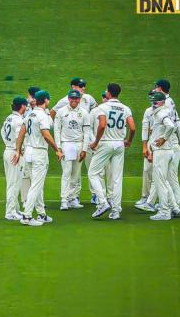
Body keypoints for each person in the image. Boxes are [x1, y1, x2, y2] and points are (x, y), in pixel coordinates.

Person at [12, 90, 63, 226]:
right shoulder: (42, 115)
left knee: (36, 184)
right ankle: (27, 216)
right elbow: (46, 134)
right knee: (36, 185)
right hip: (39, 152)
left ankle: (41, 214)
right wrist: (57, 150)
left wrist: (18, 150)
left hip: (28, 151)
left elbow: (21, 133)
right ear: (46, 100)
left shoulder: (30, 114)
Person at [88, 83, 135, 219]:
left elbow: (102, 125)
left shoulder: (102, 108)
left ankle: (102, 202)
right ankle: (116, 210)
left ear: (108, 93)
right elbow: (132, 128)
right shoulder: (125, 108)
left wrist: (95, 142)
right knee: (116, 178)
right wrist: (129, 141)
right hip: (120, 144)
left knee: (93, 173)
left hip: (105, 143)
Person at [50, 77, 98, 205]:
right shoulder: (63, 104)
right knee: (68, 172)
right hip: (67, 142)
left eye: (84, 86)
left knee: (84, 170)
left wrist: (87, 143)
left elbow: (96, 113)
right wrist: (57, 144)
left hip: (83, 140)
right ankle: (68, 198)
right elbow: (53, 117)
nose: (83, 88)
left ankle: (85, 196)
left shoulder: (88, 99)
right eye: (80, 86)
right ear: (72, 87)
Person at [146, 92, 180, 220]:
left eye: (155, 102)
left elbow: (171, 126)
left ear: (161, 102)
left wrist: (163, 138)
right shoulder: (163, 112)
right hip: (167, 151)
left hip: (162, 152)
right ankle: (174, 207)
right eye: (152, 101)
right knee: (164, 181)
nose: (153, 104)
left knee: (160, 182)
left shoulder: (161, 113)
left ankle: (165, 212)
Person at [54, 89, 90, 210]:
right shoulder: (61, 112)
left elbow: (87, 132)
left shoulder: (84, 113)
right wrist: (58, 147)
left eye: (76, 98)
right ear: (68, 99)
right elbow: (57, 130)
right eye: (72, 98)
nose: (74, 100)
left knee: (76, 174)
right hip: (66, 144)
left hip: (79, 144)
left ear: (79, 99)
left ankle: (72, 198)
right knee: (66, 172)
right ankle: (64, 200)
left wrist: (84, 149)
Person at [1, 96, 28, 220]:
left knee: (13, 182)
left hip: (8, 150)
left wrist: (9, 145)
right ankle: (10, 212)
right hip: (14, 153)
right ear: (22, 106)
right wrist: (19, 150)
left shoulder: (9, 118)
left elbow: (2, 132)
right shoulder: (18, 120)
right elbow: (19, 137)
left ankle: (15, 209)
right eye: (25, 105)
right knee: (14, 183)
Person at [21, 86, 40, 204]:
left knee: (37, 175)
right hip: (26, 145)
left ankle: (37, 200)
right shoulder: (24, 108)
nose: (28, 98)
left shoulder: (41, 108)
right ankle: (25, 199)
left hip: (36, 145)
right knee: (25, 174)